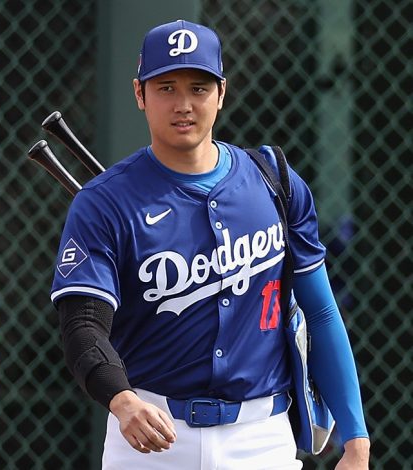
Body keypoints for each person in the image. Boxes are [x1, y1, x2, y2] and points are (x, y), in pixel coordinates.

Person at [51, 19, 370, 469]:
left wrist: (356, 439)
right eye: (166, 88)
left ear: (221, 92)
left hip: (262, 437)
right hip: (152, 435)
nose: (183, 104)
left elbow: (320, 312)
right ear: (139, 94)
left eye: (198, 88)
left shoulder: (274, 181)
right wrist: (122, 401)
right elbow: (83, 326)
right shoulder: (103, 202)